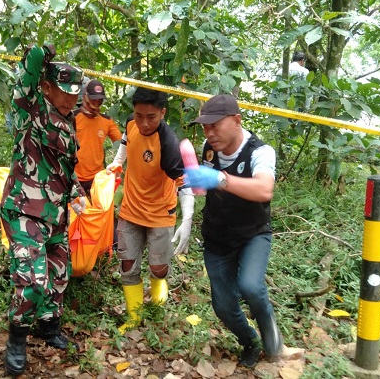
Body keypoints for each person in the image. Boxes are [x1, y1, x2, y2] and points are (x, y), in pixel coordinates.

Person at [0, 43, 86, 376]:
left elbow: (61, 166)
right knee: (32, 281)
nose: (71, 98)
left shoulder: (69, 120)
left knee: (60, 273)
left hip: (55, 213)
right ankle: (17, 338)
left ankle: (48, 326)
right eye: (64, 92)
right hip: (25, 209)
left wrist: (76, 192)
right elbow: (27, 76)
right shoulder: (31, 111)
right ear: (47, 87)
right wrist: (40, 53)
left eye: (74, 93)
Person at [184, 94, 284, 368]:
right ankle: (249, 341)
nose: (209, 132)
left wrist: (220, 178)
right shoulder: (208, 148)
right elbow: (199, 187)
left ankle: (268, 326)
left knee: (251, 286)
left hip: (253, 233)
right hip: (217, 236)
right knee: (223, 306)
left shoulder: (260, 151)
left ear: (237, 121)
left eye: (215, 125)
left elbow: (264, 189)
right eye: (205, 126)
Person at [106, 87, 194, 334]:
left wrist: (187, 218)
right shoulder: (131, 123)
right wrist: (117, 162)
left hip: (160, 214)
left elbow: (184, 184)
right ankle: (134, 316)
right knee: (127, 265)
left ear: (163, 113)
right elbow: (126, 139)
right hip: (131, 211)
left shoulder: (168, 144)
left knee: (158, 267)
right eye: (138, 115)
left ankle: (157, 305)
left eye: (151, 117)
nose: (143, 123)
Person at [74, 79, 122, 194]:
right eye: (93, 99)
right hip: (74, 178)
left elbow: (122, 143)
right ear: (85, 96)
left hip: (97, 178)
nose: (96, 102)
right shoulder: (73, 117)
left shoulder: (106, 121)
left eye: (99, 100)